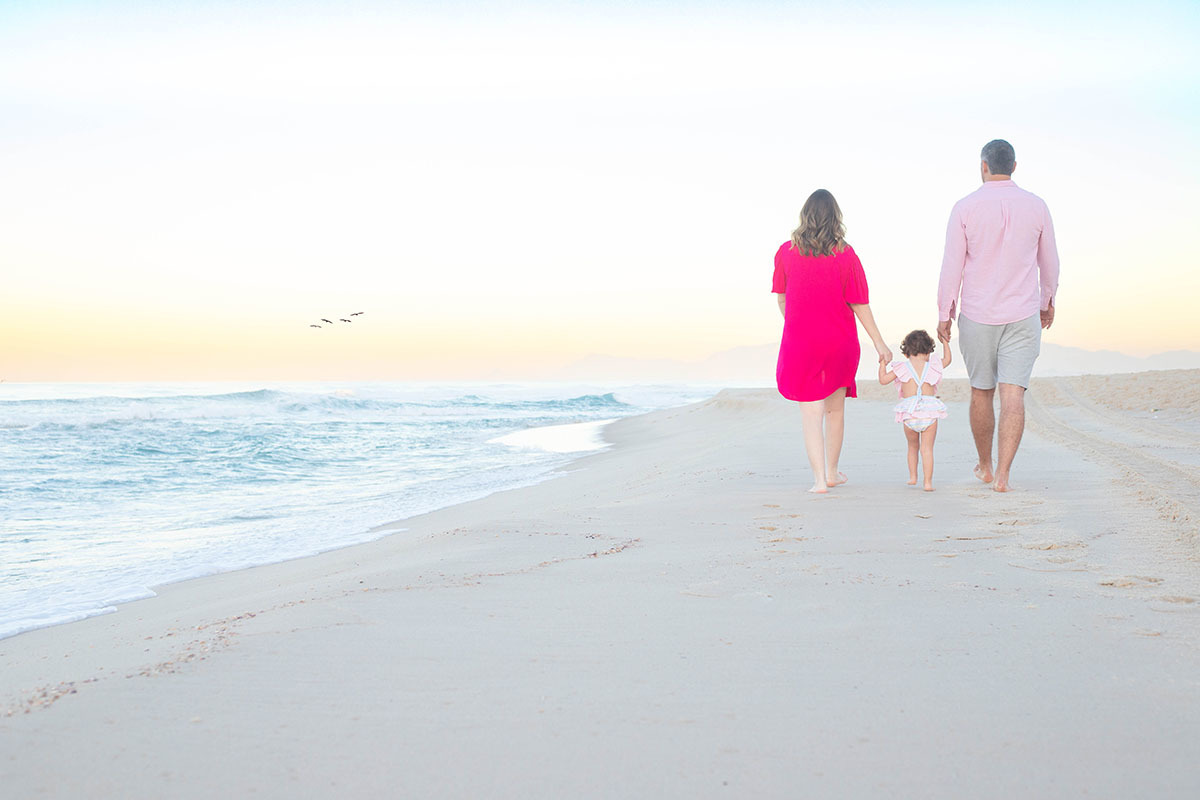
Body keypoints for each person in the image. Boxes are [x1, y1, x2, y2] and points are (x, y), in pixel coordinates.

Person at [936, 139, 1060, 492]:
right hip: (1023, 313)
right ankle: (1004, 475)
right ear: (1015, 167)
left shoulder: (965, 207)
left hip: (977, 314)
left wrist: (945, 312)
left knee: (980, 392)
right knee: (1013, 395)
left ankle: (986, 465)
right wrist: (1047, 300)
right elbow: (1049, 261)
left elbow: (952, 266)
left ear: (983, 166)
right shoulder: (1037, 206)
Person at [773, 189, 892, 494]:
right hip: (839, 341)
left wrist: (798, 325)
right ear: (835, 218)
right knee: (834, 410)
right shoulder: (846, 254)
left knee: (811, 413)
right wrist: (879, 343)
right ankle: (832, 473)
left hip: (801, 343)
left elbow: (783, 300)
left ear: (805, 216)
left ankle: (817, 481)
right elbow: (859, 303)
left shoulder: (785, 252)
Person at [879, 330, 952, 491]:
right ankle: (927, 483)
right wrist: (945, 341)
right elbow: (947, 360)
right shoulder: (932, 365)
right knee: (927, 449)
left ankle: (913, 477)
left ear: (906, 353)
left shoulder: (901, 367)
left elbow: (883, 380)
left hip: (909, 413)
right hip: (929, 412)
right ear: (928, 351)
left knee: (912, 447)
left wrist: (882, 363)